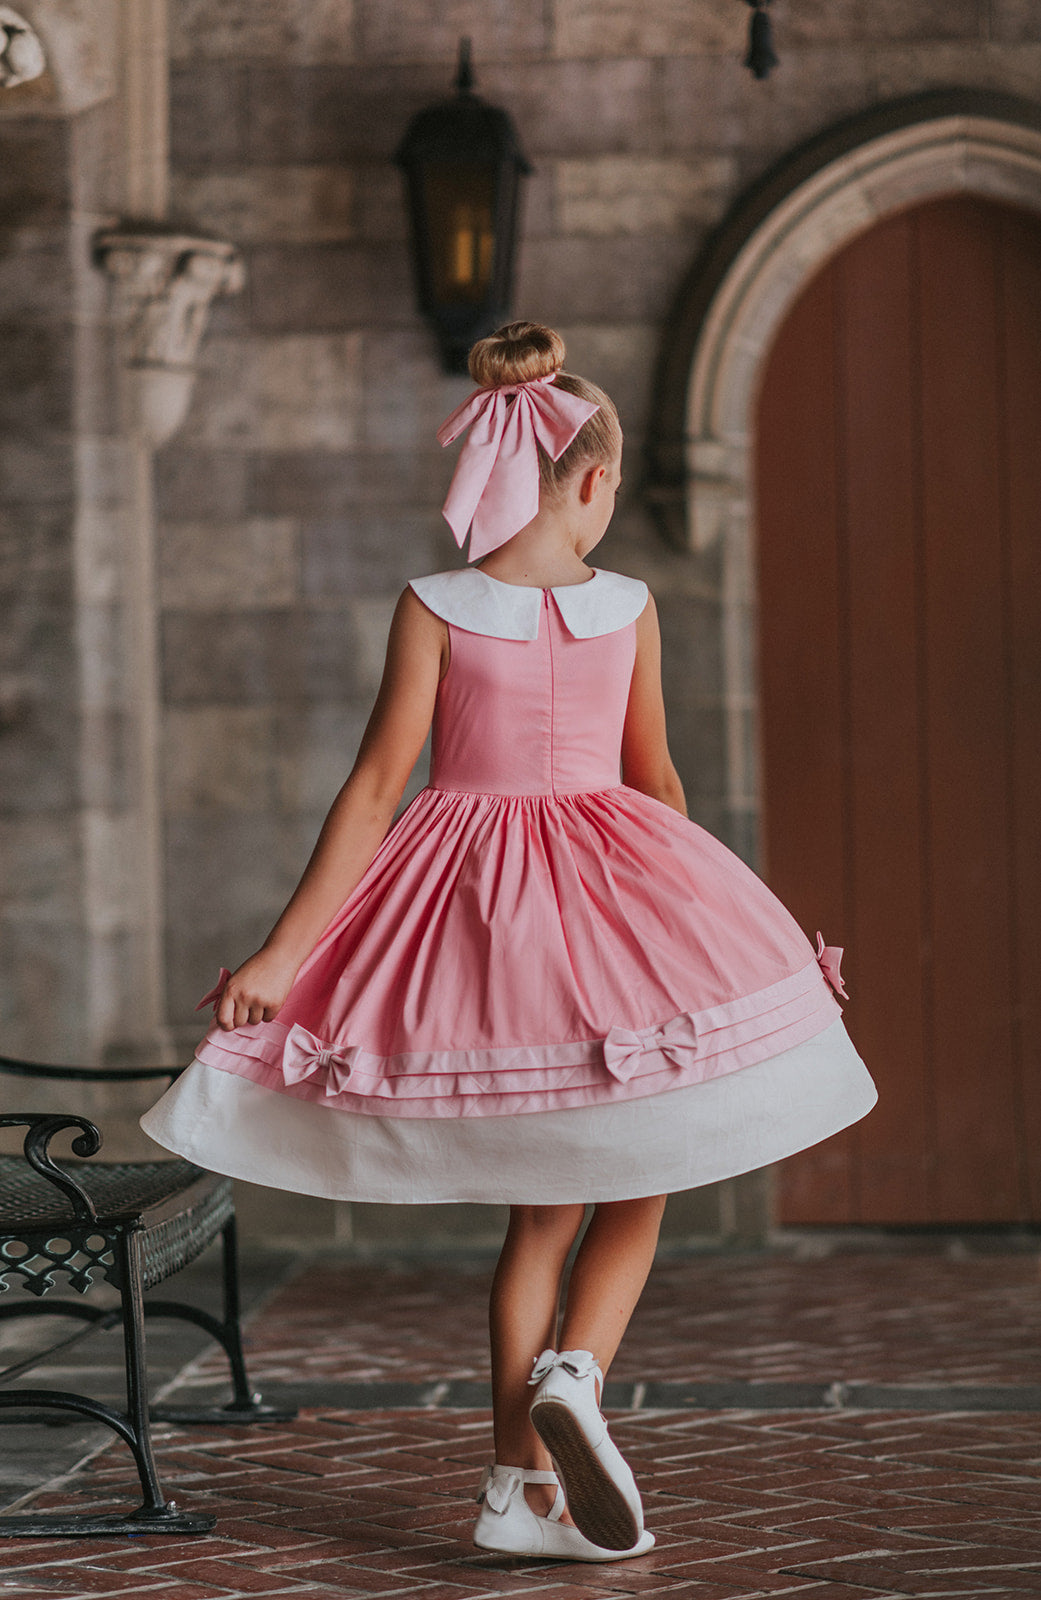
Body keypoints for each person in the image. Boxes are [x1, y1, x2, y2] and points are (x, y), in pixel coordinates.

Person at [142, 320, 877, 1563]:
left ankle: (509, 1489)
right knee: (648, 1165)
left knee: (540, 1213)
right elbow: (656, 782)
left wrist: (279, 957)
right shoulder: (630, 605)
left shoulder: (433, 605)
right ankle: (578, 1374)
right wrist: (695, 930)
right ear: (589, 483)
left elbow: (377, 792)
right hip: (620, 908)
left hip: (477, 915)